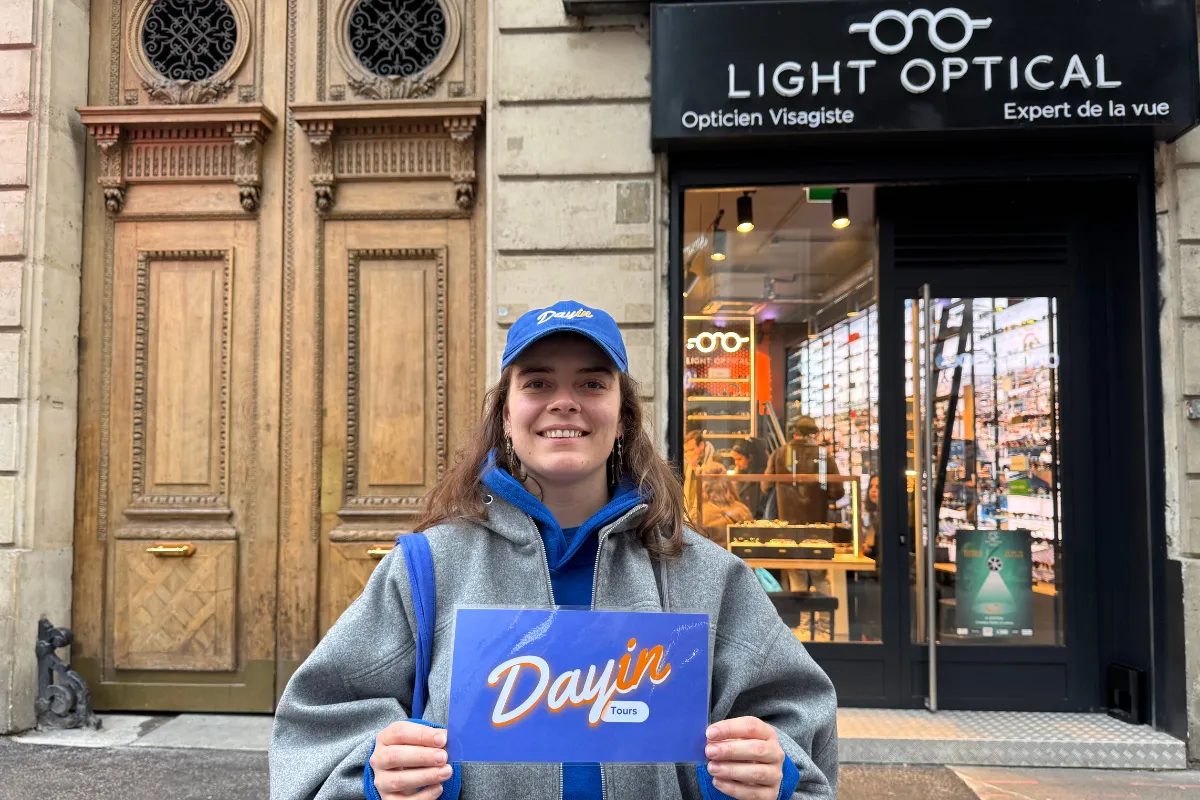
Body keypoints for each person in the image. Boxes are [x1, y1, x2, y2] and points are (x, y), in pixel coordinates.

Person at [269, 300, 838, 800]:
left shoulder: (709, 579)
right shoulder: (427, 569)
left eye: (591, 383)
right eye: (537, 382)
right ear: (507, 417)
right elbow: (315, 725)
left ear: (621, 419)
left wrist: (771, 766)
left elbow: (799, 720)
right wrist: (377, 772)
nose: (563, 402)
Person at [682, 428, 721, 519]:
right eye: (686, 451)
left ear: (701, 445)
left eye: (692, 450)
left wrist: (697, 469)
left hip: (710, 514)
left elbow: (716, 488)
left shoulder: (716, 460)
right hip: (691, 513)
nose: (688, 454)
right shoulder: (687, 466)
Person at [730, 439, 765, 518]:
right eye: (734, 459)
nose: (736, 463)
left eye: (739, 459)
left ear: (750, 458)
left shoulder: (760, 476)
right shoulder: (737, 474)